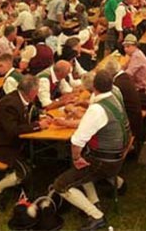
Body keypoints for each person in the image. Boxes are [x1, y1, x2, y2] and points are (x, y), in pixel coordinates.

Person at [53, 70, 131, 231]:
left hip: (106, 161)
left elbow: (77, 141)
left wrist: (76, 158)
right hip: (119, 153)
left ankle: (96, 216)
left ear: (94, 87)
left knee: (60, 184)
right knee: (83, 166)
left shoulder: (97, 110)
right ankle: (96, 200)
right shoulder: (113, 95)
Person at [0, 75, 51, 210]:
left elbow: (28, 116)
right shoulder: (9, 104)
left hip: (18, 142)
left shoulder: (23, 98)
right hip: (2, 146)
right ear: (32, 92)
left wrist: (41, 118)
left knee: (42, 156)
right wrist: (38, 126)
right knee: (25, 171)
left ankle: (28, 190)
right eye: (37, 90)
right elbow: (12, 130)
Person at [104, 58, 143, 143]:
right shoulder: (124, 77)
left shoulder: (117, 85)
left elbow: (109, 106)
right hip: (135, 114)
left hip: (130, 119)